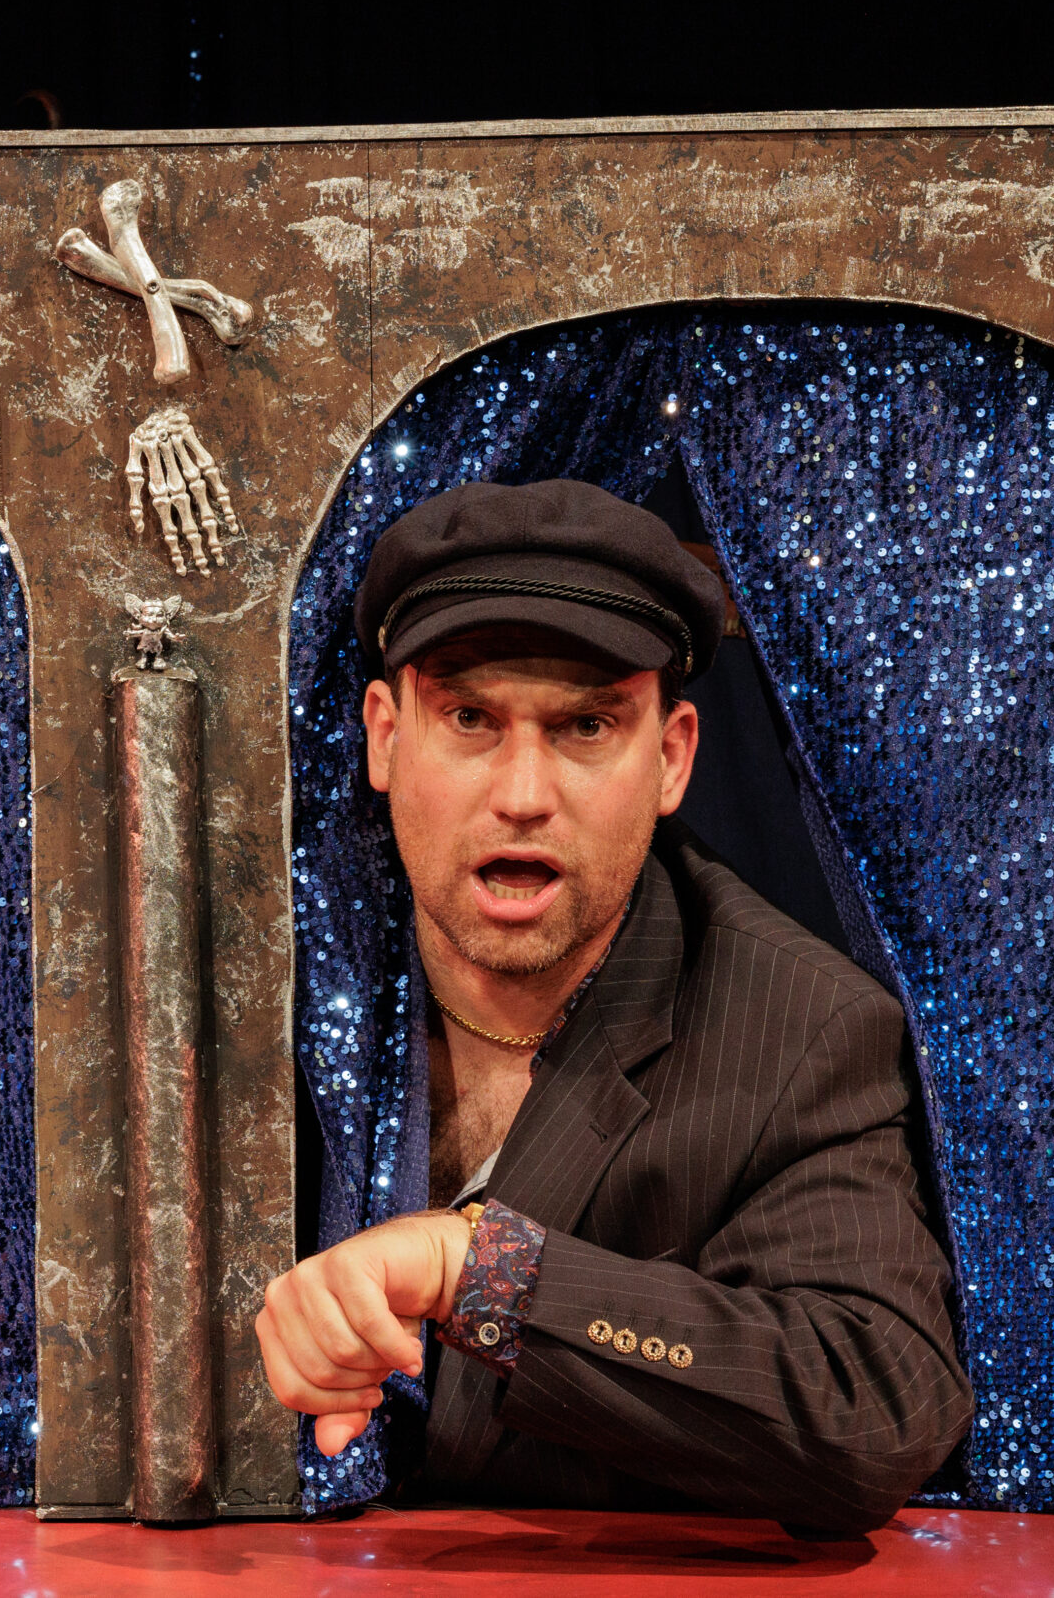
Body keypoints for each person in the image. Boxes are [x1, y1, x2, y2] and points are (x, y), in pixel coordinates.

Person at [256, 478, 971, 1532]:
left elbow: (871, 1405)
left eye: (586, 725)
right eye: (469, 718)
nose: (523, 795)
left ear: (670, 758)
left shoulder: (799, 1026)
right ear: (384, 736)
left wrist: (483, 1273)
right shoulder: (256, 982)